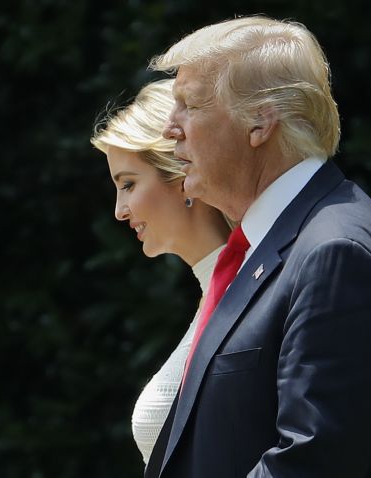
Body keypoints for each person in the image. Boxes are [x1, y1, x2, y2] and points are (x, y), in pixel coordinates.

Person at [142, 16, 371, 478]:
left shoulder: (335, 254)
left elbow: (309, 464)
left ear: (259, 121)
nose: (169, 129)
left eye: (188, 106)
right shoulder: (290, 241)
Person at [91, 79, 232, 466]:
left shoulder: (252, 289)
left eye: (129, 184)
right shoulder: (217, 290)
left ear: (182, 174)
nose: (120, 211)